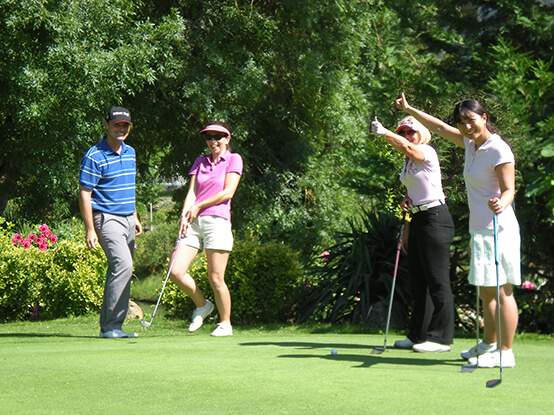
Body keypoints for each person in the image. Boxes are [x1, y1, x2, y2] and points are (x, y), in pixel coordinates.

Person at [396, 93, 520, 368]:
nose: (466, 127)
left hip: (498, 226)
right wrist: (409, 109)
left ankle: (506, 351)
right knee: (486, 291)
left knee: (502, 291)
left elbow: (510, 189)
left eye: (471, 121)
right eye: (461, 123)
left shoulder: (499, 149)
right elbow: (439, 128)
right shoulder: (471, 145)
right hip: (480, 228)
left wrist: (501, 202)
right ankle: (489, 344)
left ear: (484, 118)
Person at [371, 116, 455, 353]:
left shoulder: (426, 151)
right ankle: (418, 335)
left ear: (421, 134)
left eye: (411, 131)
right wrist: (407, 229)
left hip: (436, 219)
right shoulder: (408, 162)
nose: (408, 136)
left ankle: (440, 339)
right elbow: (413, 196)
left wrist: (385, 132)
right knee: (419, 283)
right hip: (418, 220)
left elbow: (407, 147)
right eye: (404, 132)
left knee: (437, 281)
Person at [169, 121, 243, 337]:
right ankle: (202, 305)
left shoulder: (234, 159)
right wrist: (184, 216)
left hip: (217, 222)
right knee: (175, 270)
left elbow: (228, 192)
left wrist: (199, 205)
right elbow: (191, 192)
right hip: (193, 222)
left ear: (227, 139)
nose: (213, 141)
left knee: (216, 277)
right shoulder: (200, 162)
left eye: (218, 136)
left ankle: (225, 323)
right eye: (209, 137)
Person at [79, 106, 143, 339]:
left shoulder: (131, 152)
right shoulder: (94, 155)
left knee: (122, 269)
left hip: (128, 218)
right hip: (106, 218)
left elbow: (129, 188)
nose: (121, 129)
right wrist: (90, 229)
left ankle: (114, 325)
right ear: (106, 125)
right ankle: (110, 326)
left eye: (125, 125)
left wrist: (135, 215)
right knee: (123, 265)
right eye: (117, 125)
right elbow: (85, 193)